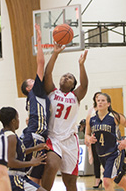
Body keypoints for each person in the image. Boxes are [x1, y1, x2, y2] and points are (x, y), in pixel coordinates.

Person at [41, 43, 88, 191]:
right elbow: (47, 74)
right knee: (51, 166)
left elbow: (85, 85)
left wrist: (81, 65)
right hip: (53, 138)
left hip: (70, 140)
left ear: (73, 84)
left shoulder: (75, 96)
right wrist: (55, 54)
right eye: (64, 76)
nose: (66, 78)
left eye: (69, 78)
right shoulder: (52, 92)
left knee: (70, 182)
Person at [86, 93, 126, 191]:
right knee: (122, 181)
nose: (100, 102)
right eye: (98, 100)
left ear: (108, 104)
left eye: (103, 100)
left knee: (106, 181)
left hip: (114, 152)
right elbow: (87, 134)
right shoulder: (91, 119)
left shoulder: (115, 116)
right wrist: (89, 139)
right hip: (101, 154)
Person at [20, 24, 50, 184]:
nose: (36, 79)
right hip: (33, 137)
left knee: (36, 177)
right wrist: (39, 40)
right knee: (22, 175)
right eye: (32, 80)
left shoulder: (35, 97)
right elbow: (40, 63)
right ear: (29, 87)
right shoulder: (35, 91)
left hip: (40, 137)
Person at [0, 107, 48, 191]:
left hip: (11, 176)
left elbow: (19, 152)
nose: (18, 121)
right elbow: (11, 162)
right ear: (13, 121)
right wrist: (31, 163)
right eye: (18, 118)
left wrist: (36, 148)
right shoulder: (11, 137)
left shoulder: (4, 133)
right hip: (14, 177)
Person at [85, 92, 104, 188]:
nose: (99, 99)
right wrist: (86, 137)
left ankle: (110, 177)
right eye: (97, 97)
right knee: (96, 160)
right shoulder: (91, 110)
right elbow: (87, 125)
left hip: (105, 139)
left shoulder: (107, 111)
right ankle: (97, 179)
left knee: (106, 159)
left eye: (101, 98)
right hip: (94, 138)